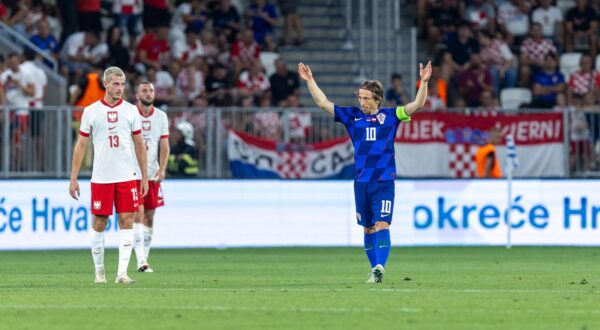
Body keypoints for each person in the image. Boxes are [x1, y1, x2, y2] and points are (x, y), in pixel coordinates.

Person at [297, 60, 432, 283]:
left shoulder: (391, 116)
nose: (362, 102)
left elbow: (417, 104)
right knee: (368, 228)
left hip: (384, 180)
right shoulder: (352, 116)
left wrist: (424, 82)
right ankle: (375, 270)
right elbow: (323, 103)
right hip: (361, 181)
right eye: (360, 97)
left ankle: (380, 265)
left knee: (382, 224)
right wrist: (310, 80)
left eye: (366, 98)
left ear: (377, 99)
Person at [69, 67, 149, 284]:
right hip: (102, 177)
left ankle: (122, 273)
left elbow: (140, 145)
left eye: (122, 84)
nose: (120, 88)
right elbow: (81, 144)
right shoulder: (91, 111)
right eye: (115, 84)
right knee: (99, 223)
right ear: (105, 84)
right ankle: (99, 272)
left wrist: (143, 176)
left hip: (126, 175)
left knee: (126, 220)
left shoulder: (131, 110)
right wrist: (73, 178)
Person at [133, 81, 170, 273]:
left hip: (152, 174)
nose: (148, 93)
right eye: (144, 90)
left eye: (151, 90)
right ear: (137, 95)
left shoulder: (161, 117)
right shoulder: (130, 114)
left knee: (149, 216)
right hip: (134, 174)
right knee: (137, 214)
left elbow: (164, 146)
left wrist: (162, 169)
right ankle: (141, 261)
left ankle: (144, 257)